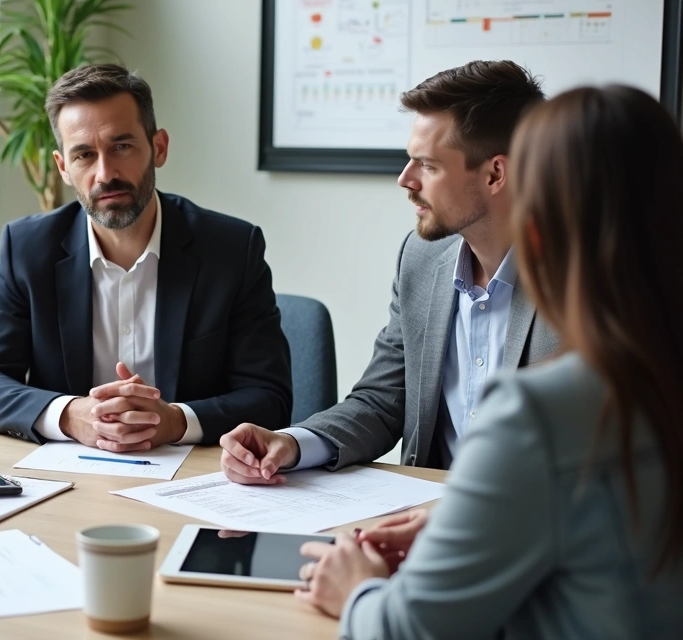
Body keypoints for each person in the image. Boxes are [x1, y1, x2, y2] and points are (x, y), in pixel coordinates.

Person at [295, 84, 683, 637]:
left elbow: (406, 630)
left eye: (425, 165)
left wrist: (356, 589)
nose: (405, 181)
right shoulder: (657, 376)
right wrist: (470, 520)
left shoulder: (539, 415)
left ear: (534, 225)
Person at [220, 60, 558, 481]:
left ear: (495, 174)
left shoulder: (582, 283)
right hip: (424, 519)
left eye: (428, 166)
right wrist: (291, 444)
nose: (405, 179)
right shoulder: (421, 258)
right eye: (409, 161)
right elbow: (382, 401)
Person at [0, 64, 293, 452]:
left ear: (158, 148)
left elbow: (270, 397)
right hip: (71, 480)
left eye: (122, 146)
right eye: (83, 155)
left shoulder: (232, 249)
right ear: (63, 167)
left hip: (195, 480)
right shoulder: (28, 249)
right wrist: (70, 414)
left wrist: (176, 421)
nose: (105, 173)